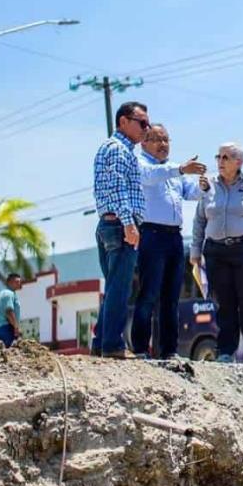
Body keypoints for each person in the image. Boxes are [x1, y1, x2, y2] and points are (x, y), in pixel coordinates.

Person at [190, 142, 243, 365]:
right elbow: (200, 220)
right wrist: (196, 251)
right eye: (218, 156)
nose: (220, 161)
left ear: (239, 162)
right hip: (216, 251)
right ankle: (226, 351)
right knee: (224, 303)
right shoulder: (208, 185)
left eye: (226, 157)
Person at [131, 123, 208, 358]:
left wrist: (203, 187)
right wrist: (181, 168)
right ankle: (142, 349)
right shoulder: (141, 164)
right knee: (148, 295)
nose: (163, 144)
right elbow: (151, 177)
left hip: (174, 237)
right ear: (144, 141)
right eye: (157, 139)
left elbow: (189, 192)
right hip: (151, 235)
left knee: (171, 298)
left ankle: (169, 351)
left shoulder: (172, 171)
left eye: (166, 140)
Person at [91, 101, 150, 359]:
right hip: (119, 224)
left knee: (114, 286)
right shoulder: (118, 149)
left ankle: (100, 342)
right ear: (123, 122)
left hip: (109, 224)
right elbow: (117, 188)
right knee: (120, 288)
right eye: (142, 123)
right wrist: (128, 223)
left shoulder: (114, 148)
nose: (145, 129)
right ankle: (113, 345)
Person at [0, 273, 21, 347]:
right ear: (9, 282)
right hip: (7, 327)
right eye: (16, 281)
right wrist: (16, 327)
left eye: (19, 281)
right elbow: (9, 311)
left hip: (2, 327)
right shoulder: (8, 294)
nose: (19, 283)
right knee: (12, 350)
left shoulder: (5, 293)